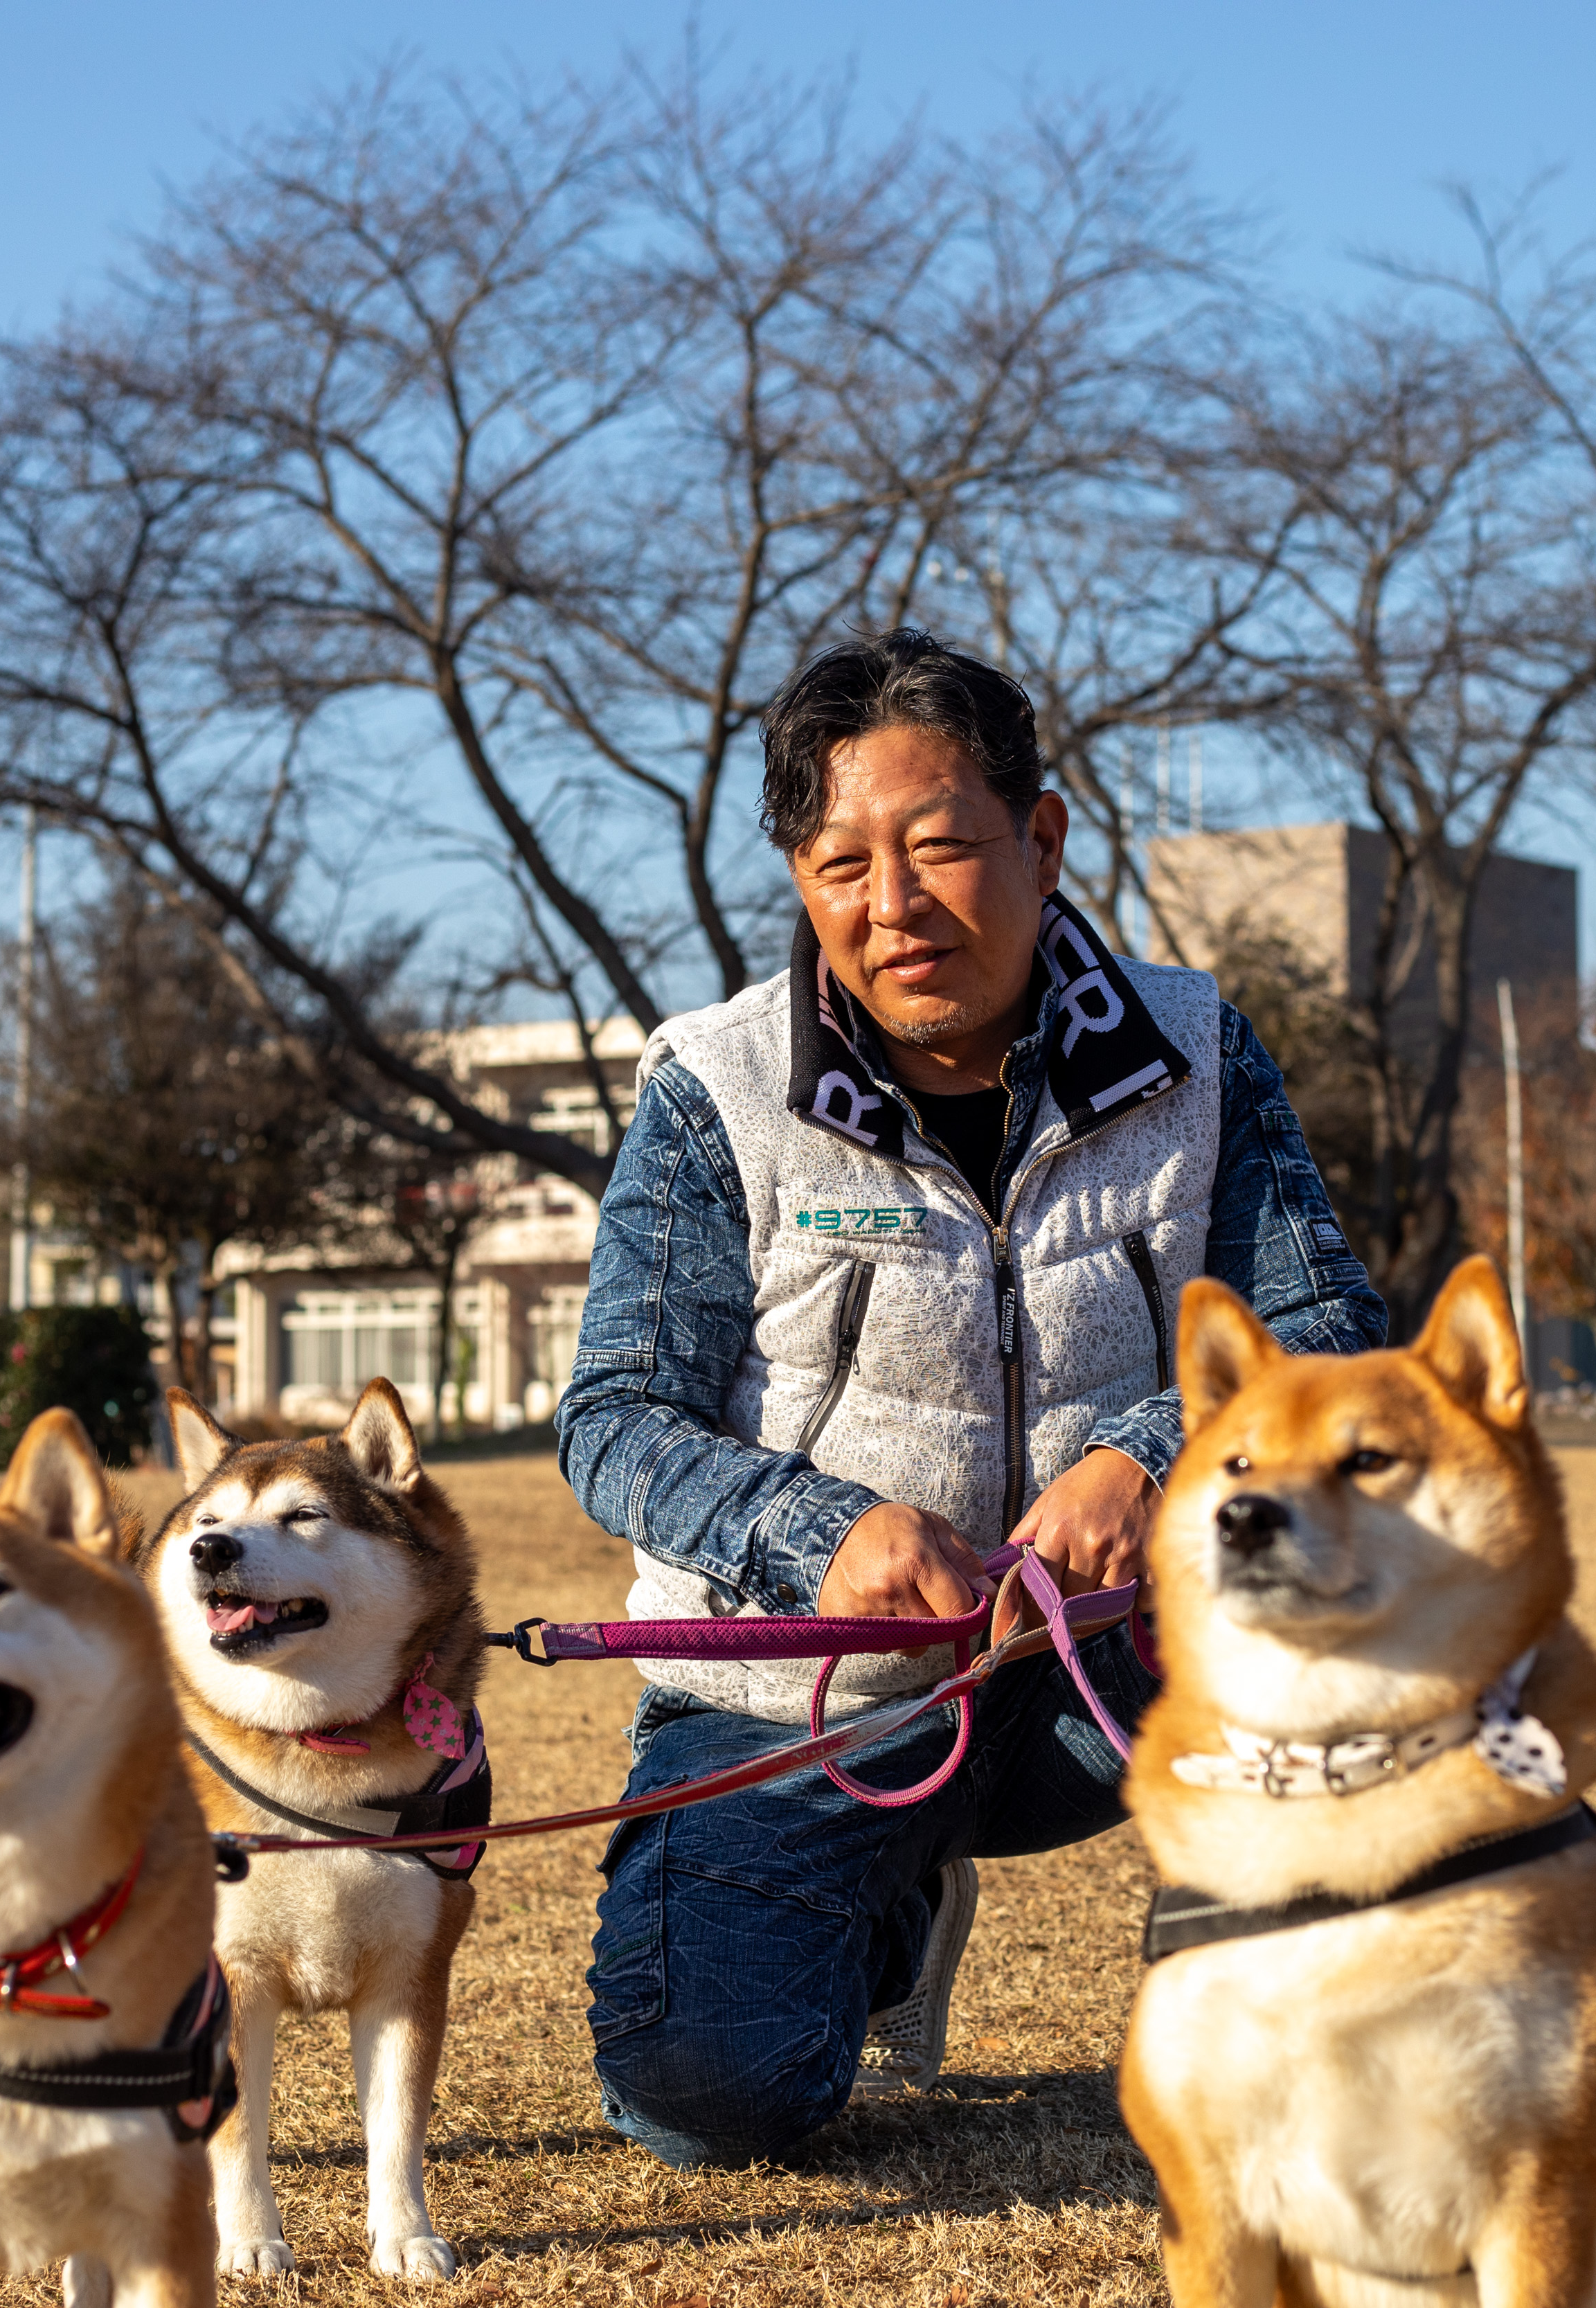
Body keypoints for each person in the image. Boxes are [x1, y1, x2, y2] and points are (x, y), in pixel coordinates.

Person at [555, 627, 1387, 2167]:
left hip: (1120, 1658)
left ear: (1044, 835)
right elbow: (610, 1415)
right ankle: (888, 1896)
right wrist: (825, 1529)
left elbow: (1325, 1332)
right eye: (839, 863)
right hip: (812, 1674)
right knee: (705, 2095)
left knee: (1379, 1611)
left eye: (940, 847)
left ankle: (1313, 1988)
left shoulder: (1192, 1049)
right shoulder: (713, 1082)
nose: (893, 907)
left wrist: (1151, 1458)